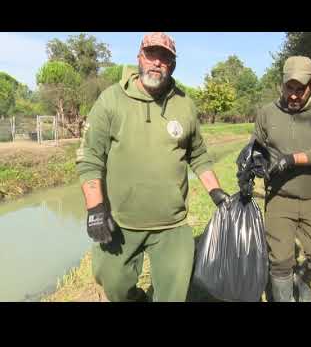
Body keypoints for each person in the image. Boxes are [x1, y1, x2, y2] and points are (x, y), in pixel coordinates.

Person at [76, 32, 230, 302]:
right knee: (113, 284)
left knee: (174, 294)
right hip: (121, 223)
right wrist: (95, 208)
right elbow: (90, 158)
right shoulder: (111, 100)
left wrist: (216, 192)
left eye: (165, 58)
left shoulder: (185, 104)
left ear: (172, 65)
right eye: (151, 55)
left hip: (172, 224)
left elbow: (199, 155)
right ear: (139, 57)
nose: (157, 63)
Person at [253, 56, 311, 302]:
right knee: (280, 261)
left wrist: (293, 159)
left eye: (299, 89)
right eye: (289, 87)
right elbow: (255, 147)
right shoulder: (267, 112)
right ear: (282, 84)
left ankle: (301, 278)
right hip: (279, 197)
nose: (293, 95)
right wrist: (251, 162)